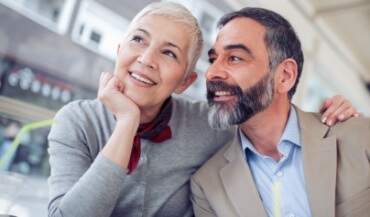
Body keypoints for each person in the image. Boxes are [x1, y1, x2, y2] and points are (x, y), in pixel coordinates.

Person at [47, 2, 361, 217]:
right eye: (138, 40)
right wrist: (126, 122)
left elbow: (265, 115)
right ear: (119, 50)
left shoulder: (210, 124)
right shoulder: (77, 121)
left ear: (185, 82)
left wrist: (332, 117)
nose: (145, 58)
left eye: (168, 52)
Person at [190, 7, 370, 217]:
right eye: (213, 59)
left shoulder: (362, 137)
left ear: (284, 76)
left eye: (235, 58)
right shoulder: (206, 187)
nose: (211, 72)